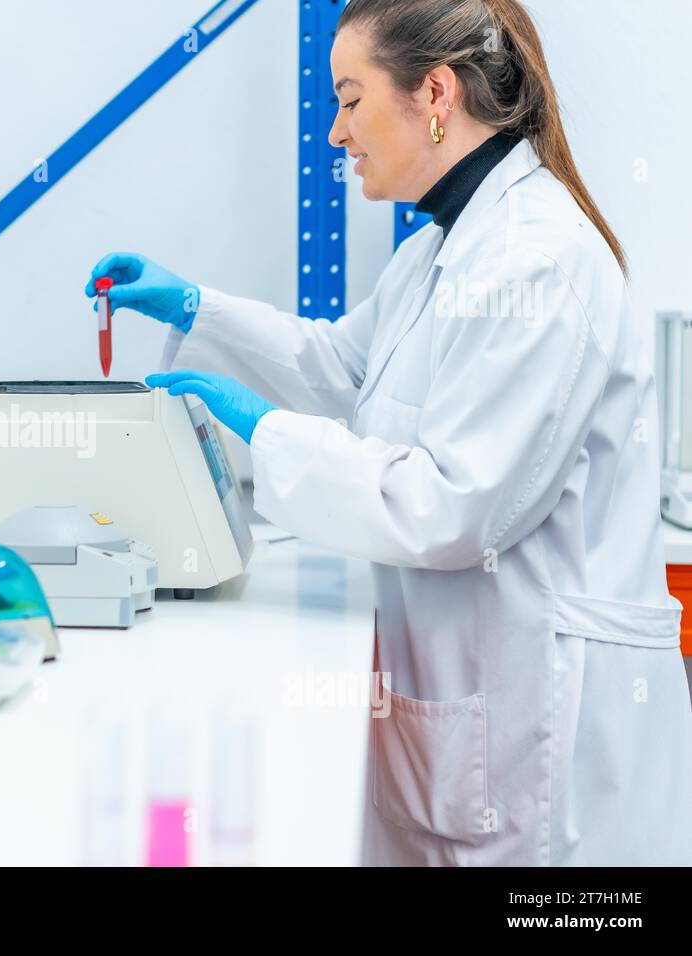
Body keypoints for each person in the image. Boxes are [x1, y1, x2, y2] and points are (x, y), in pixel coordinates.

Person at [87, 0, 692, 865]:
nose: (336, 133)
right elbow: (341, 367)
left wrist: (266, 434)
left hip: (548, 738)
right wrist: (198, 307)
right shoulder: (441, 251)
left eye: (349, 99)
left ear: (435, 92)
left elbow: (449, 507)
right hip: (474, 710)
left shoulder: (536, 261)